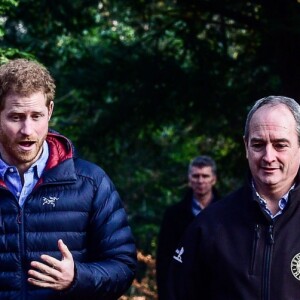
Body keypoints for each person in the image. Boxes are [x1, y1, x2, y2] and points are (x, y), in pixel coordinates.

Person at [0, 58, 137, 299]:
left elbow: (123, 266)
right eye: (16, 117)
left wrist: (76, 278)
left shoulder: (90, 182)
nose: (27, 130)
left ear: (50, 111)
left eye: (37, 116)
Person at [168, 95, 300, 299]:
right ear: (246, 147)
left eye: (280, 145)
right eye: (258, 144)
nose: (268, 156)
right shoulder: (209, 225)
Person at [156, 155, 219, 300]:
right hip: (183, 292)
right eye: (196, 176)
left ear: (213, 179)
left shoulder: (227, 212)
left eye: (205, 176)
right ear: (190, 179)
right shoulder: (173, 215)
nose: (200, 181)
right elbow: (164, 261)